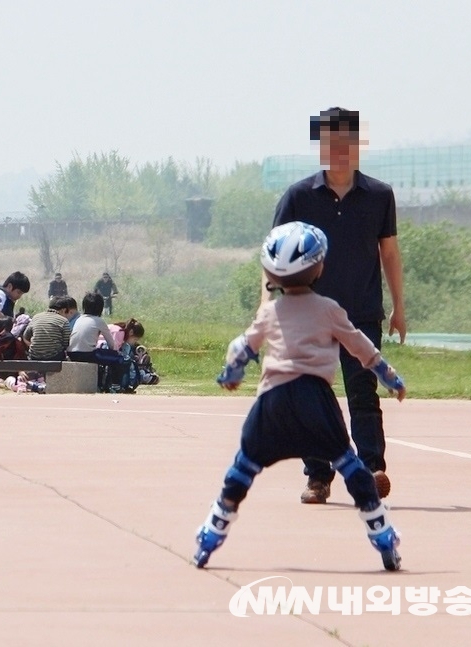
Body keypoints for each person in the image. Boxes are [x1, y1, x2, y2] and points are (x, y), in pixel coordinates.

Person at [193, 222, 406, 571]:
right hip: (315, 401)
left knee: (242, 468)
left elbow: (240, 348)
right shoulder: (329, 309)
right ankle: (382, 534)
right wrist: (390, 377)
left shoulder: (269, 312)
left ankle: (211, 534)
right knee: (351, 467)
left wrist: (230, 374)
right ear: (319, 268)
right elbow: (360, 347)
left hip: (272, 404)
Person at [271, 107, 406, 504]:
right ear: (322, 147)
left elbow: (390, 254)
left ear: (358, 147)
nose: (340, 151)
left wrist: (399, 306)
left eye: (348, 143)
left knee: (363, 395)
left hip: (362, 314)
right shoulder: (299, 197)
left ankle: (371, 470)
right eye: (332, 143)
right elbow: (275, 254)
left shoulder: (379, 196)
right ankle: (318, 476)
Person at [68, 292, 117, 391]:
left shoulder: (79, 319)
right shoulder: (99, 321)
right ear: (100, 307)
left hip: (71, 353)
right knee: (118, 358)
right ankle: (114, 385)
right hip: (87, 354)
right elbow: (112, 345)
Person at [23, 296, 76, 361]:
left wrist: (35, 347)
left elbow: (25, 337)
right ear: (64, 310)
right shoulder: (63, 321)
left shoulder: (36, 317)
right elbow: (66, 344)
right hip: (54, 357)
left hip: (34, 356)